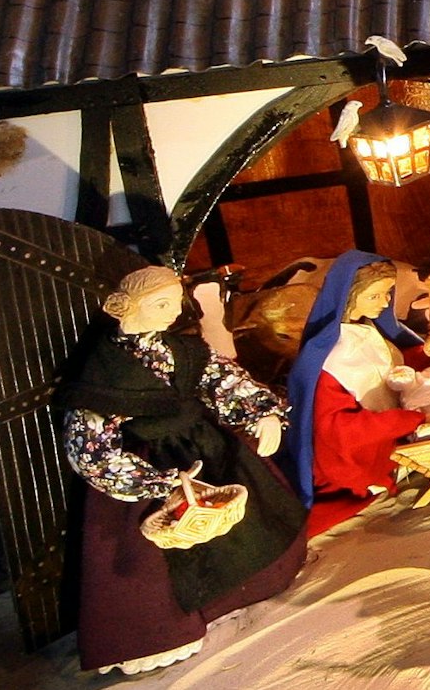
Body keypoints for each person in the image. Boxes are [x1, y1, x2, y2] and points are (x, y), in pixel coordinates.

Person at [57, 267, 306, 675]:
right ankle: (165, 633)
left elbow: (222, 379)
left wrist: (261, 412)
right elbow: (90, 443)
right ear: (125, 308)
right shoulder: (104, 369)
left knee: (248, 519)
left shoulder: (183, 350)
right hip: (148, 463)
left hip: (204, 447)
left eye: (176, 303)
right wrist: (153, 481)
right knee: (148, 560)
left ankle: (248, 590)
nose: (173, 313)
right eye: (161, 304)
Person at [282, 251, 430, 537]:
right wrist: (404, 421)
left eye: (388, 294)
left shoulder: (367, 329)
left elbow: (393, 361)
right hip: (356, 455)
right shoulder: (331, 356)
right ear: (350, 296)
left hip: (393, 430)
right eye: (375, 296)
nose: (386, 303)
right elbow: (339, 429)